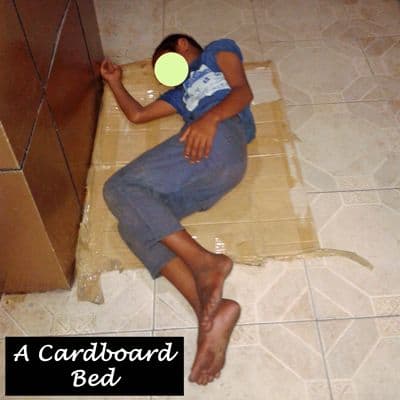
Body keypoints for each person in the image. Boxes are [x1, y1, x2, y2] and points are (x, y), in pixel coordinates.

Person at [100, 33, 255, 386]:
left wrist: (208, 119)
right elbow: (138, 115)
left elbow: (243, 91)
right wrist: (114, 83)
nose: (165, 74)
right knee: (134, 223)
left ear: (182, 45)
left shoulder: (216, 52)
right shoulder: (181, 95)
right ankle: (208, 315)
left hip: (221, 138)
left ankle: (205, 263)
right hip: (211, 174)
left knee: (119, 187)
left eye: (164, 63)